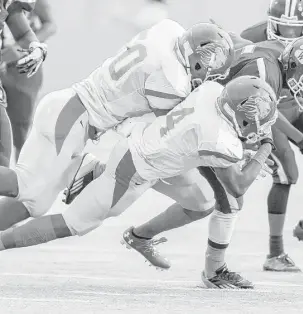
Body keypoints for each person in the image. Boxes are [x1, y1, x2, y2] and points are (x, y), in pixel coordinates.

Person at [63, 36, 303, 288]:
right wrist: (263, 146)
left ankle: (132, 223)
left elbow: (235, 43)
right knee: (228, 199)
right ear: (295, 66)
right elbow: (240, 109)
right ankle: (214, 271)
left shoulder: (275, 53)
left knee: (189, 192)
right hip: (203, 125)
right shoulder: (265, 73)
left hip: (199, 117)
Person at [0, 76, 278, 290]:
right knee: (74, 223)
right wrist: (266, 145)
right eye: (259, 119)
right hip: (132, 170)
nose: (261, 125)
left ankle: (97, 178)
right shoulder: (218, 138)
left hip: (157, 153)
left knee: (203, 201)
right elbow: (238, 185)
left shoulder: (213, 91)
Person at [0, 19, 234, 233]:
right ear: (195, 55)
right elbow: (173, 127)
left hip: (69, 110)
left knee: (35, 203)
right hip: (73, 116)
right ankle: (85, 170)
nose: (207, 72)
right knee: (27, 185)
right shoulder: (172, 82)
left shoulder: (168, 30)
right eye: (207, 64)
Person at [239, 0, 303, 272]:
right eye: (284, 28)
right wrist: (302, 141)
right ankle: (275, 252)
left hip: (296, 103)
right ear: (271, 23)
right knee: (286, 174)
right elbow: (259, 99)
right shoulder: (252, 38)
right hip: (268, 110)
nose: (290, 36)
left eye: (297, 30)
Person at [1, 0, 56, 161]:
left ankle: (20, 176)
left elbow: (50, 25)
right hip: (3, 63)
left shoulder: (18, 7)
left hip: (21, 68)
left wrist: (20, 49)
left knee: (20, 131)